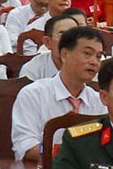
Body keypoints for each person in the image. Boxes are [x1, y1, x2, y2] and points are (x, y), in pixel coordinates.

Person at [10, 25, 107, 161]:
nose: (94, 62)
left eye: (98, 57)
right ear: (64, 54)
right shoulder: (33, 94)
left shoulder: (99, 101)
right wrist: (68, 154)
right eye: (87, 54)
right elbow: (25, 147)